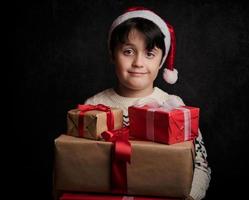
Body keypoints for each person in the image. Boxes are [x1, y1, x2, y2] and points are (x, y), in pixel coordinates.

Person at [85, 7, 211, 200]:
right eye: (128, 51)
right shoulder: (94, 105)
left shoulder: (173, 106)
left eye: (149, 54)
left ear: (161, 61)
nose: (138, 62)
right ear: (112, 54)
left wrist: (191, 196)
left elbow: (200, 163)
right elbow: (75, 160)